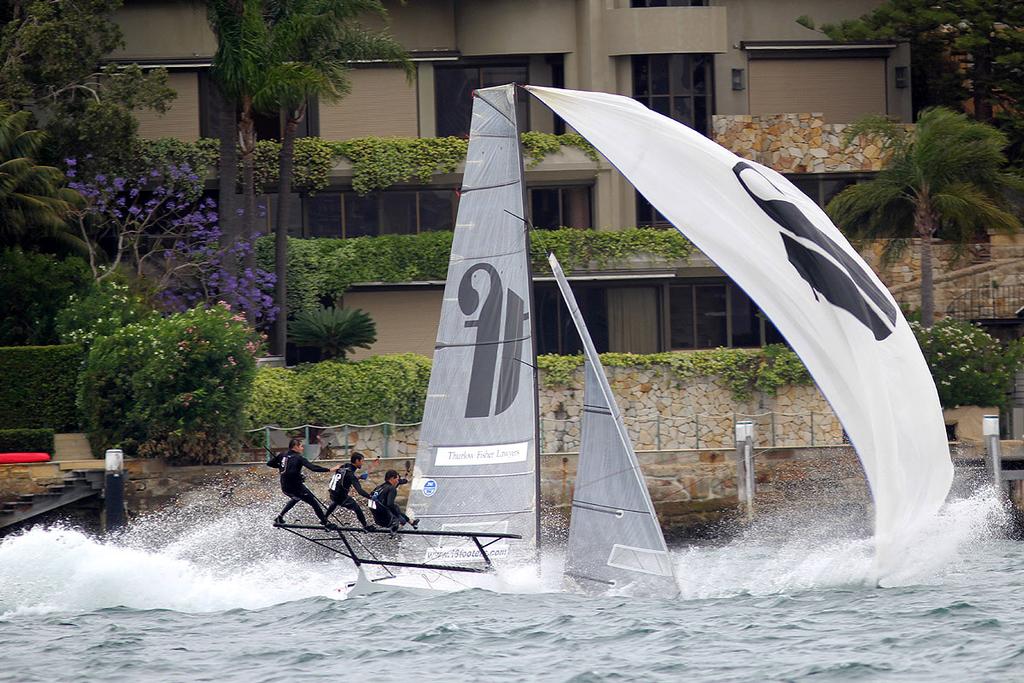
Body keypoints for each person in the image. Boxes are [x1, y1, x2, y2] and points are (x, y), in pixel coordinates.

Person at [266, 437, 335, 527]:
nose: (303, 448)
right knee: (314, 503)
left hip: (285, 487)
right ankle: (325, 523)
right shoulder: (299, 458)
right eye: (301, 446)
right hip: (296, 487)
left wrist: (281, 466)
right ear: (295, 446)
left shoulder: (282, 454)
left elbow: (270, 464)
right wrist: (329, 469)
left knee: (296, 498)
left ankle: (279, 517)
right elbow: (313, 468)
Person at [324, 452, 376, 530]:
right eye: (362, 461)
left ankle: (324, 518)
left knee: (336, 502)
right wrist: (370, 497)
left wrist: (358, 477)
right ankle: (365, 526)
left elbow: (343, 478)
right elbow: (360, 491)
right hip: (341, 497)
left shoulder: (344, 466)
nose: (362, 463)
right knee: (357, 507)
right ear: (357, 461)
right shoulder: (351, 474)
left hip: (332, 493)